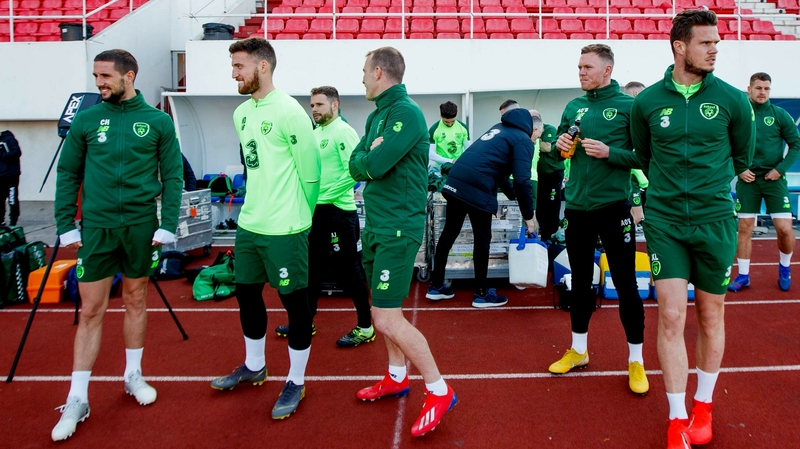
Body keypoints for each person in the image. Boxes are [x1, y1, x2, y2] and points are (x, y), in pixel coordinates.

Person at [600, 10, 755, 448]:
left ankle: (703, 407)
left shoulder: (733, 100)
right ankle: (676, 416)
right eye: (706, 43)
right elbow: (644, 156)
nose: (714, 50)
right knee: (669, 316)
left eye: (716, 43)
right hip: (666, 220)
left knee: (711, 315)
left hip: (715, 221)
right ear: (679, 46)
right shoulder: (647, 101)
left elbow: (741, 159)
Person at [51, 49, 183, 441]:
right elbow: (68, 172)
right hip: (97, 228)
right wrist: (65, 225)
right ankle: (77, 397)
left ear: (129, 76)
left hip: (141, 227)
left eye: (105, 76)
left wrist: (169, 223)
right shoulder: (87, 120)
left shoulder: (158, 121)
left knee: (136, 298)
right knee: (91, 309)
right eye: (96, 76)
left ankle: (133, 375)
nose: (99, 83)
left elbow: (173, 176)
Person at [210, 37, 321, 421]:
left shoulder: (291, 111)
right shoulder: (241, 113)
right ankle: (255, 366)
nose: (233, 73)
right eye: (233, 66)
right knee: (246, 295)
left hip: (286, 228)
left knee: (295, 303)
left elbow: (311, 172)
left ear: (262, 66)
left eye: (239, 66)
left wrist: (300, 219)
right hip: (250, 224)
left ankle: (296, 380)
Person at [349, 46, 457, 437]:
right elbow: (355, 163)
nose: (360, 77)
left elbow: (372, 165)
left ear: (379, 72)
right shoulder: (379, 116)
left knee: (385, 318)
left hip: (398, 227)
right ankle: (396, 376)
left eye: (364, 71)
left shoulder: (406, 113)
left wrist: (367, 160)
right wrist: (365, 159)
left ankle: (438, 388)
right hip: (377, 225)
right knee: (382, 314)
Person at [549, 44, 649, 398]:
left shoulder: (629, 107)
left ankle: (636, 360)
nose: (581, 72)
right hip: (577, 207)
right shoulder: (574, 106)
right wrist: (560, 144)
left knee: (625, 285)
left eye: (587, 67)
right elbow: (559, 149)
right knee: (579, 282)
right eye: (578, 67)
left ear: (607, 70)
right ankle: (578, 350)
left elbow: (644, 157)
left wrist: (611, 153)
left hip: (613, 208)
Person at [274, 85, 374, 347]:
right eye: (312, 105)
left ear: (335, 105)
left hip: (339, 212)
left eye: (319, 104)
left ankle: (366, 326)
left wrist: (327, 193)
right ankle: (306, 321)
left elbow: (356, 170)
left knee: (349, 271)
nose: (314, 110)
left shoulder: (343, 131)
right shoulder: (315, 133)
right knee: (312, 270)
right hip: (316, 211)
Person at [426, 109, 540, 308]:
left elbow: (500, 171)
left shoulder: (499, 129)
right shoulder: (523, 140)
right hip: (477, 186)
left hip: (456, 179)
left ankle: (436, 286)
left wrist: (512, 195)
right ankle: (481, 294)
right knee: (482, 239)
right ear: (534, 129)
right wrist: (529, 216)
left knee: (448, 233)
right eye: (538, 134)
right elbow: (522, 181)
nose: (537, 138)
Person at [729, 72, 800, 292]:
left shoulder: (779, 115)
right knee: (744, 229)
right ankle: (743, 275)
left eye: (766, 88)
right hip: (747, 180)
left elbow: (796, 144)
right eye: (758, 88)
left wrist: (779, 170)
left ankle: (785, 268)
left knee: (785, 230)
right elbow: (725, 144)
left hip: (774, 180)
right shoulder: (739, 115)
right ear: (749, 89)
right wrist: (739, 169)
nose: (763, 92)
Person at [529, 110, 562, 242]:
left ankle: (552, 235)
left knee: (552, 205)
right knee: (540, 206)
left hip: (552, 174)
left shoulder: (549, 129)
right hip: (538, 175)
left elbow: (548, 147)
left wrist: (535, 139)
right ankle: (543, 234)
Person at [428, 101, 470, 165]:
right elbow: (430, 153)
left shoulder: (463, 127)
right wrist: (451, 161)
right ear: (441, 116)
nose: (450, 124)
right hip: (441, 168)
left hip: (458, 165)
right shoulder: (434, 129)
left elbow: (468, 149)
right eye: (446, 122)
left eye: (452, 121)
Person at [0, 130, 21, 226]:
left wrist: (2, 155)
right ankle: (1, 221)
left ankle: (13, 221)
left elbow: (17, 152)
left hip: (11, 175)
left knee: (12, 199)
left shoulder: (9, 139)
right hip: (1, 176)